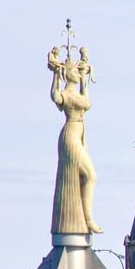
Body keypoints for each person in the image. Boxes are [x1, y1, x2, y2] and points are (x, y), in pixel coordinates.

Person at [49, 49, 102, 235]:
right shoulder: (66, 94)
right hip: (70, 135)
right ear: (67, 74)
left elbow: (87, 102)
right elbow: (55, 96)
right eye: (74, 72)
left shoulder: (78, 94)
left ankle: (86, 218)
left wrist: (84, 76)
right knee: (90, 176)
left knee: (83, 178)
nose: (77, 74)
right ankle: (88, 219)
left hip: (80, 134)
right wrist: (55, 75)